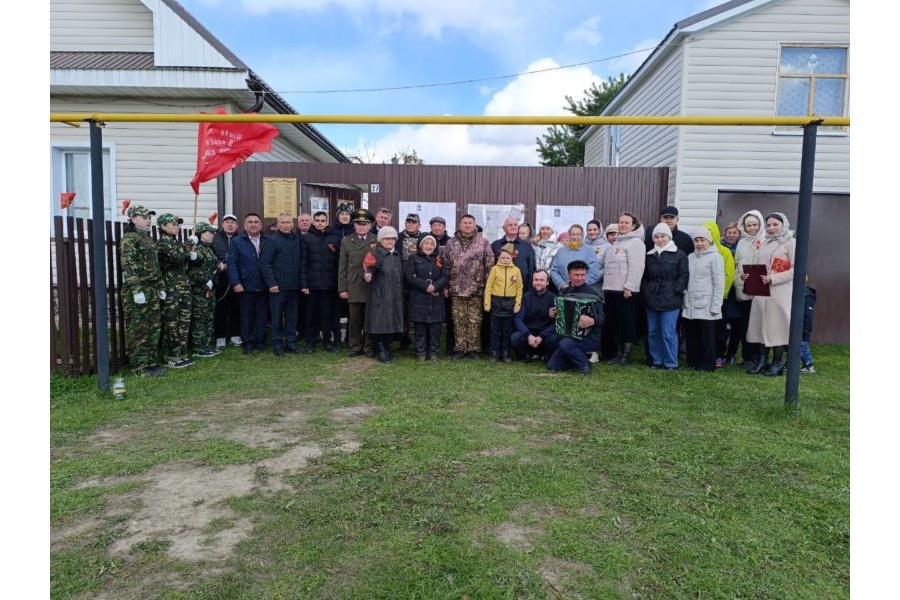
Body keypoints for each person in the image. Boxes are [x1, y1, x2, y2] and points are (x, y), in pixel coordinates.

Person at [746, 213, 796, 376]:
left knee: (777, 327)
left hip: (779, 292)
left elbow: (797, 269)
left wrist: (773, 278)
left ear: (783, 224)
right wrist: (747, 276)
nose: (771, 228)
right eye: (768, 225)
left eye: (775, 224)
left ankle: (777, 363)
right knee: (761, 325)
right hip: (761, 292)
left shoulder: (791, 243)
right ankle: (762, 360)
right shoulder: (764, 243)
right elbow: (758, 266)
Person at [120, 205, 165, 376]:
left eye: (149, 217)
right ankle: (139, 366)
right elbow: (128, 265)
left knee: (153, 327)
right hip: (138, 290)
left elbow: (155, 266)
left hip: (152, 288)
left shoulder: (147, 239)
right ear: (133, 219)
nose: (148, 220)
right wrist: (136, 289)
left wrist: (160, 286)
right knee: (139, 328)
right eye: (144, 217)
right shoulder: (129, 239)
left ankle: (151, 363)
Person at [444, 214, 495, 359]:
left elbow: (489, 266)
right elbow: (445, 265)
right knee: (458, 320)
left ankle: (473, 349)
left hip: (476, 288)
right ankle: (460, 349)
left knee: (475, 320)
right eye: (464, 223)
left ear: (474, 225)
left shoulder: (484, 242)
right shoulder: (451, 243)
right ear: (460, 225)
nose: (467, 225)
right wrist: (446, 286)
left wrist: (487, 288)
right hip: (456, 288)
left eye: (470, 223)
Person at [642, 223, 688, 370]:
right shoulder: (649, 255)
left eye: (662, 236)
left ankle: (670, 362)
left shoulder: (679, 254)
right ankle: (656, 360)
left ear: (669, 237)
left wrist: (676, 290)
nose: (659, 239)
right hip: (652, 297)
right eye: (656, 236)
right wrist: (646, 290)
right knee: (653, 332)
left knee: (668, 332)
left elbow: (684, 275)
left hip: (671, 298)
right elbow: (645, 276)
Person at [546, 260, 604, 375]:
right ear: (569, 274)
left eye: (582, 275)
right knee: (552, 364)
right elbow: (561, 312)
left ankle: (584, 366)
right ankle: (583, 356)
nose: (579, 278)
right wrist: (553, 312)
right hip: (567, 335)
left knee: (565, 344)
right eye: (576, 275)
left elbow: (603, 317)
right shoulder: (564, 291)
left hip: (589, 337)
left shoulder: (593, 294)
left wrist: (593, 320)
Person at [603, 212, 646, 365]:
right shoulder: (616, 243)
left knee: (627, 323)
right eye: (621, 222)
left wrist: (629, 286)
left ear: (633, 226)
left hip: (626, 291)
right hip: (612, 290)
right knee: (615, 323)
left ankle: (625, 356)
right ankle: (618, 353)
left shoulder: (636, 243)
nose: (623, 225)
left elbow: (637, 267)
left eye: (627, 223)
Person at [683, 227, 725, 372]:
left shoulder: (715, 257)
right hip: (691, 303)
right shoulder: (690, 257)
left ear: (709, 241)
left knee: (707, 336)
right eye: (696, 240)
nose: (699, 243)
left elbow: (719, 283)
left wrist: (716, 306)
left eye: (702, 240)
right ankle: (692, 362)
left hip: (707, 303)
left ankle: (707, 364)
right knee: (692, 334)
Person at [259, 212, 301, 356]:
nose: (285, 225)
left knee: (292, 317)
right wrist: (271, 283)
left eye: (288, 222)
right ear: (277, 224)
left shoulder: (296, 239)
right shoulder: (272, 240)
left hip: (294, 286)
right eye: (282, 222)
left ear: (292, 224)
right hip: (277, 287)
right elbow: (265, 264)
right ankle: (277, 344)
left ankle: (291, 342)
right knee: (276, 317)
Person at [227, 213, 269, 355]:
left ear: (261, 225)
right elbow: (232, 264)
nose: (253, 224)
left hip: (264, 286)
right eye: (250, 222)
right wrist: (236, 282)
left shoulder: (267, 240)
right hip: (245, 286)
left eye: (256, 222)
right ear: (244, 225)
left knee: (262, 317)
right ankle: (248, 342)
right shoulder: (237, 242)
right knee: (246, 316)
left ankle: (261, 341)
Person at [156, 213, 194, 369]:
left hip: (183, 287)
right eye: (173, 224)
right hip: (171, 289)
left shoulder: (175, 243)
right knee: (172, 322)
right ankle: (170, 355)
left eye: (178, 224)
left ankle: (181, 353)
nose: (177, 227)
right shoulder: (163, 244)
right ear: (163, 226)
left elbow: (183, 262)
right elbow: (177, 258)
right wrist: (189, 243)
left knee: (184, 322)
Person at [338, 209, 377, 357]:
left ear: (369, 226)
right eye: (358, 224)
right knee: (354, 319)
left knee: (370, 318)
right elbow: (342, 266)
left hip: (371, 286)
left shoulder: (376, 240)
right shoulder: (346, 241)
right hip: (353, 285)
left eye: (364, 224)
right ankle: (355, 346)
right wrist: (342, 288)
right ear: (354, 225)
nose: (361, 227)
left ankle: (368, 346)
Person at [300, 211, 340, 353]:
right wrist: (304, 284)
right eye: (317, 220)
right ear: (313, 221)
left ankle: (326, 342)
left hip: (329, 285)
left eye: (323, 220)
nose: (320, 223)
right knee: (311, 316)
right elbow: (303, 263)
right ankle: (310, 343)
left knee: (326, 316)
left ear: (327, 222)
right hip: (312, 285)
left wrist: (337, 284)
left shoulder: (335, 238)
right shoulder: (307, 238)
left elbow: (338, 263)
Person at [363, 226, 405, 363]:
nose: (390, 241)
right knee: (380, 323)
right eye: (387, 238)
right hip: (380, 295)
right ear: (381, 239)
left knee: (391, 322)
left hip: (395, 295)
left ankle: (387, 348)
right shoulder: (375, 254)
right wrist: (367, 275)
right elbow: (367, 269)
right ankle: (381, 349)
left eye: (392, 238)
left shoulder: (397, 255)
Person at [405, 234, 448, 361]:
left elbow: (445, 276)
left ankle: (434, 352)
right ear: (421, 245)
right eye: (426, 243)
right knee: (420, 327)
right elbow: (409, 276)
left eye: (431, 244)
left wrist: (435, 286)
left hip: (436, 298)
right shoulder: (413, 258)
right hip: (419, 297)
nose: (429, 246)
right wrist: (425, 286)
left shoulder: (439, 259)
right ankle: (421, 352)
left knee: (435, 327)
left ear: (435, 246)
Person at [733, 210, 765, 371]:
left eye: (755, 225)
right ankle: (747, 357)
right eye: (749, 225)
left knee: (759, 325)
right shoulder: (742, 243)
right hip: (745, 288)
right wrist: (740, 276)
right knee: (745, 324)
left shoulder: (766, 240)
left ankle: (759, 357)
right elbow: (737, 263)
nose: (752, 228)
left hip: (761, 289)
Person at [703, 220, 736, 368]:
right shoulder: (698, 250)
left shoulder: (724, 251)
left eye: (710, 231)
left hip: (720, 298)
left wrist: (722, 295)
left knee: (719, 329)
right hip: (703, 297)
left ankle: (718, 355)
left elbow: (729, 274)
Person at [484, 243, 523, 363]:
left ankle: (505, 353)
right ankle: (494, 353)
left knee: (507, 331)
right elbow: (489, 287)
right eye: (503, 257)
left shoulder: (516, 270)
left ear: (511, 258)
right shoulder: (495, 269)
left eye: (508, 257)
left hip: (510, 303)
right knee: (495, 330)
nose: (505, 260)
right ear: (499, 258)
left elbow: (519, 288)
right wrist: (487, 303)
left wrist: (517, 304)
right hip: (496, 302)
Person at [187, 222, 220, 358]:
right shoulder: (196, 248)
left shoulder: (209, 249)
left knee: (208, 317)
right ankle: (198, 347)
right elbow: (193, 269)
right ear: (201, 233)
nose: (212, 235)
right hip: (199, 289)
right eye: (209, 232)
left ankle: (206, 345)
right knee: (200, 319)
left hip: (210, 288)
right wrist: (205, 281)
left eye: (213, 233)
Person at [511, 269, 559, 362]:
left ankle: (545, 355)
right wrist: (528, 335)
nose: (538, 282)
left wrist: (541, 336)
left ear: (547, 282)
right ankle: (526, 356)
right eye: (536, 280)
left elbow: (557, 323)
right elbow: (518, 319)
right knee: (515, 337)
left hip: (545, 336)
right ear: (532, 281)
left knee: (554, 339)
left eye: (541, 280)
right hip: (529, 334)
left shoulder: (554, 298)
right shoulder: (526, 297)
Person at [212, 213, 242, 348]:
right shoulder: (214, 237)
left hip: (237, 279)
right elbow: (208, 255)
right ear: (222, 224)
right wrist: (218, 264)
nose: (230, 225)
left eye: (233, 222)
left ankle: (235, 334)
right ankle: (220, 336)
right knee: (220, 309)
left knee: (236, 308)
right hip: (221, 279)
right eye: (227, 222)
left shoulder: (242, 238)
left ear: (237, 225)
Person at [549, 224, 601, 293]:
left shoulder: (589, 250)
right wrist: (562, 284)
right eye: (573, 234)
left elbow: (594, 273)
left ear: (582, 236)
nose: (575, 237)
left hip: (583, 291)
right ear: (569, 235)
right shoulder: (561, 251)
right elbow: (554, 271)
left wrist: (580, 284)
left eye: (578, 234)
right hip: (565, 290)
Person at [718, 221, 743, 366]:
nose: (732, 235)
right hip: (724, 289)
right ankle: (720, 352)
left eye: (735, 233)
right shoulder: (719, 247)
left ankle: (731, 353)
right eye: (729, 232)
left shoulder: (742, 248)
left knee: (737, 325)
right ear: (725, 233)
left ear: (739, 234)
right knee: (722, 323)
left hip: (737, 290)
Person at [330, 203, 355, 347]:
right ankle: (337, 337)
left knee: (351, 308)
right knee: (336, 308)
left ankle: (350, 337)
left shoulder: (354, 231)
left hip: (351, 275)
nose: (345, 216)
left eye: (347, 214)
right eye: (342, 214)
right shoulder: (332, 231)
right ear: (338, 216)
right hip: (334, 274)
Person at [491, 215, 535, 292]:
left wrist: (530, 291)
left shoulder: (527, 246)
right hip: (500, 290)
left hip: (521, 289)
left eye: (515, 225)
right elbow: (491, 267)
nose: (513, 227)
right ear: (504, 228)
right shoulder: (495, 245)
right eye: (510, 225)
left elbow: (531, 268)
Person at [801, 285, 817, 373]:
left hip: (804, 326)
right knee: (796, 345)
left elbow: (808, 315)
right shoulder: (803, 294)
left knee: (801, 345)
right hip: (801, 325)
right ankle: (790, 363)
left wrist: (805, 328)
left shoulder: (807, 296)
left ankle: (809, 365)